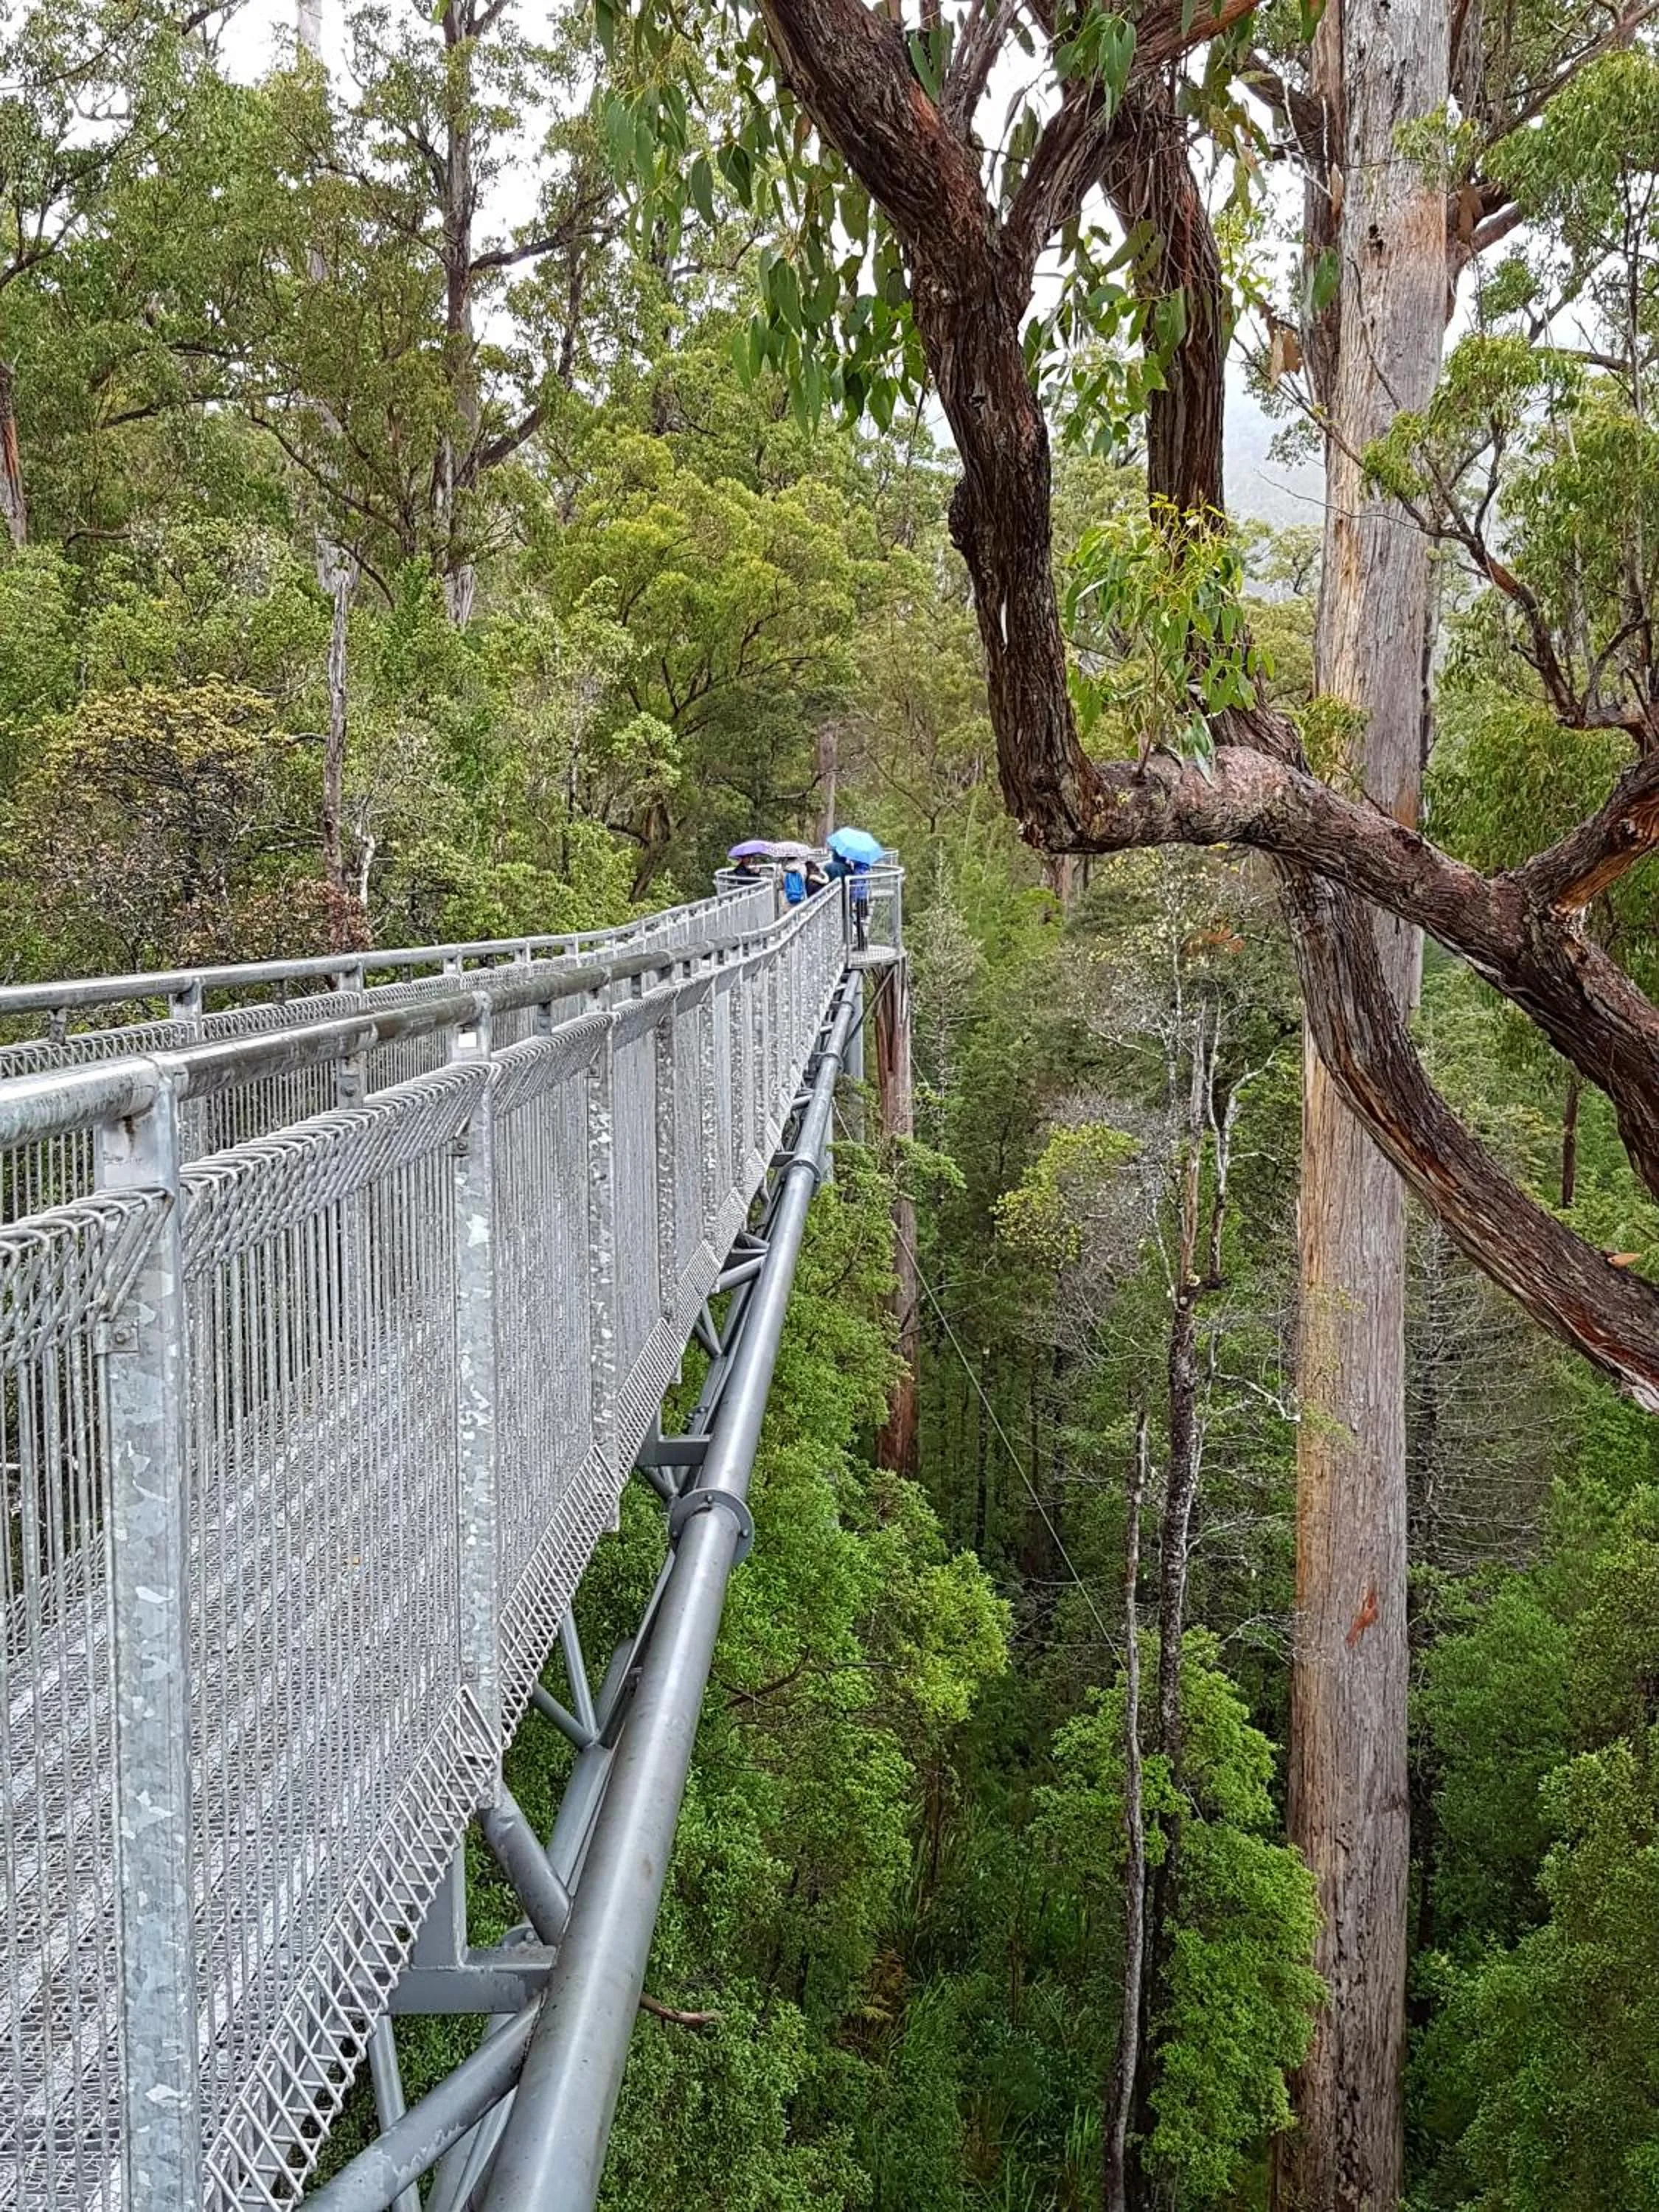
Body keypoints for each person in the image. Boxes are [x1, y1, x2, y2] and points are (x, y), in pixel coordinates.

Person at [849, 858, 871, 950]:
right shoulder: (864, 869)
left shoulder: (858, 871)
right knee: (860, 921)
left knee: (857, 921)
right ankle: (862, 942)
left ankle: (861, 943)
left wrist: (853, 901)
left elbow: (857, 887)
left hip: (859, 899)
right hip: (864, 898)